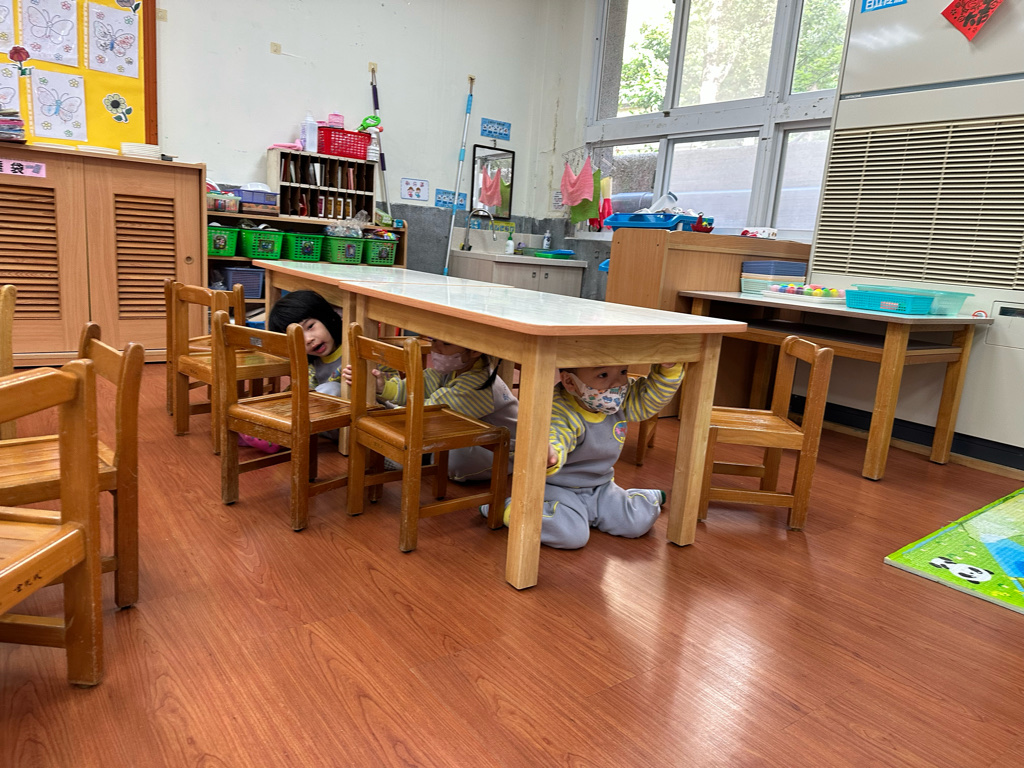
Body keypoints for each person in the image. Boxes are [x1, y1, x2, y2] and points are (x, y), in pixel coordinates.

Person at [482, 361, 684, 549]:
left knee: (637, 523)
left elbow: (649, 398)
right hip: (558, 488)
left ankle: (642, 498)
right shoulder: (559, 408)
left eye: (623, 372)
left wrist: (669, 370)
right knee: (572, 535)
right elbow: (556, 434)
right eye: (603, 375)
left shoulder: (619, 398)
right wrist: (551, 453)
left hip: (601, 486)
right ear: (570, 382)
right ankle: (504, 508)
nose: (617, 383)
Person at [342, 337, 517, 481]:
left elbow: (431, 415)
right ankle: (416, 455)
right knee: (401, 412)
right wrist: (382, 387)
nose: (436, 349)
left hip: (503, 451)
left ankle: (416, 458)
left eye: (446, 343)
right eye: (433, 341)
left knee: (454, 457)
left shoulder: (478, 385)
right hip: (470, 435)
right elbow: (418, 386)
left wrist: (388, 409)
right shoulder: (456, 367)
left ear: (474, 351)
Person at [267, 289, 344, 396]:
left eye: (310, 326)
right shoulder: (309, 363)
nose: (308, 339)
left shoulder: (351, 352)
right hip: (314, 404)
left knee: (332, 388)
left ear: (326, 317)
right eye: (297, 336)